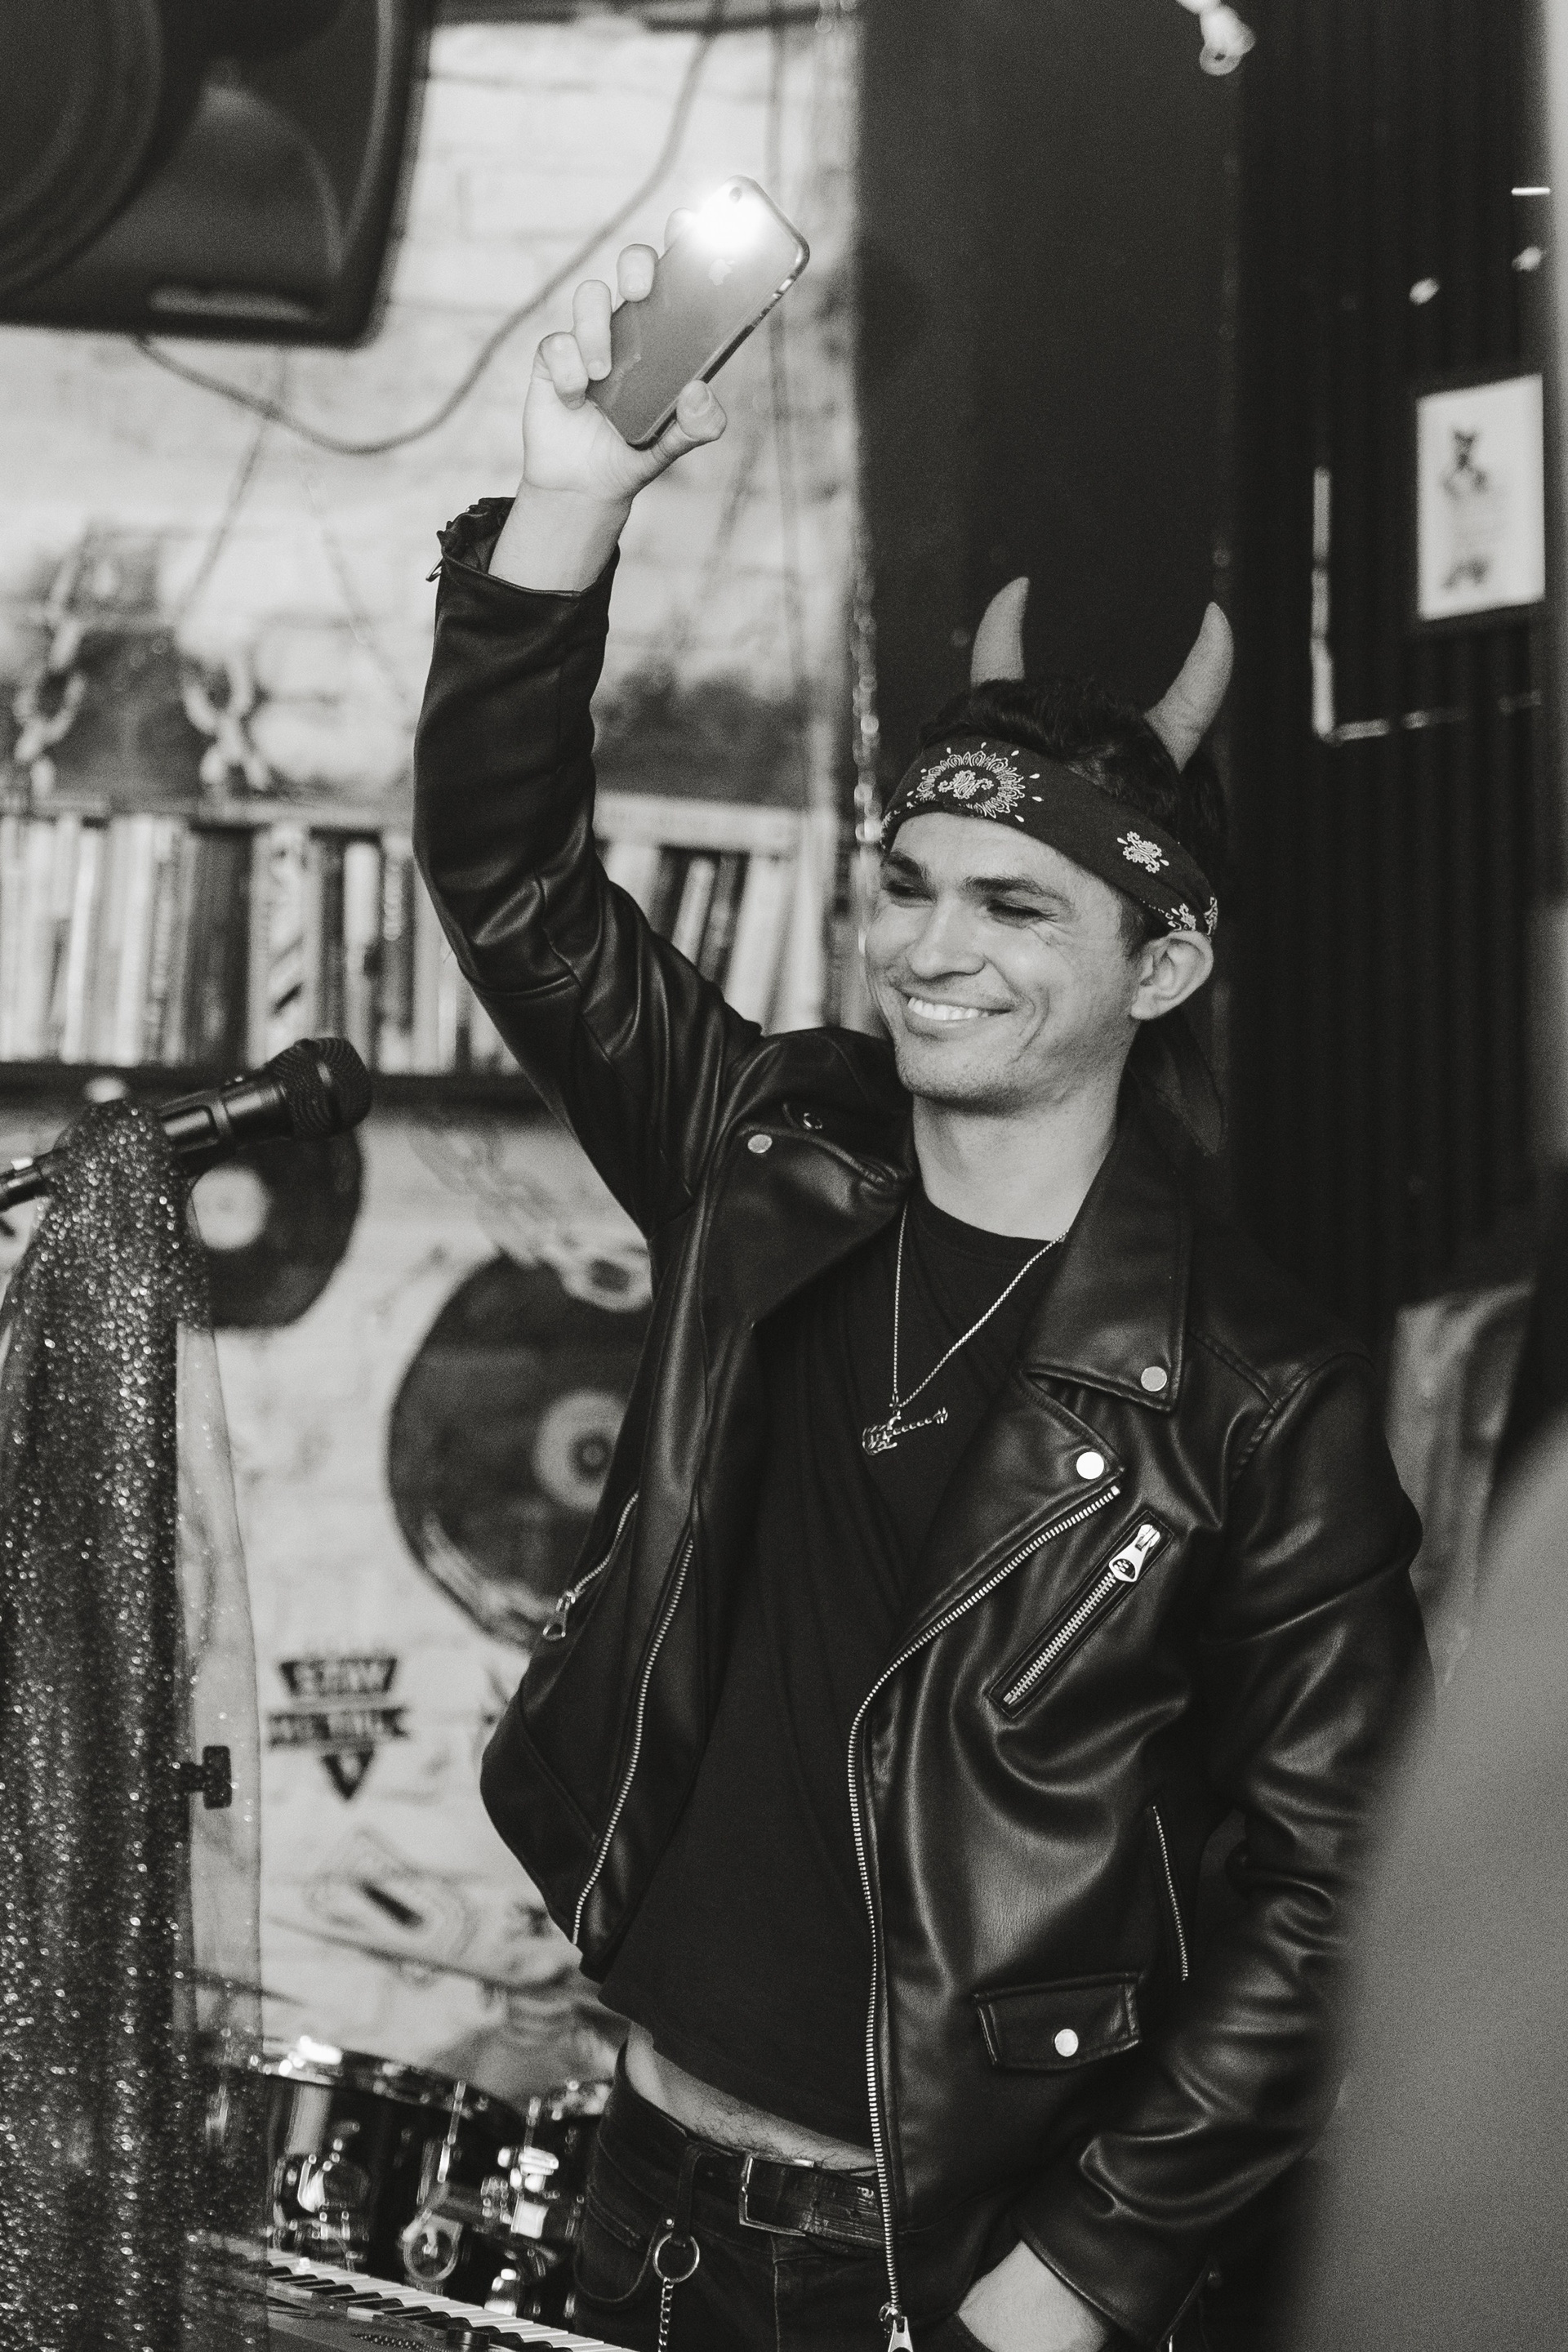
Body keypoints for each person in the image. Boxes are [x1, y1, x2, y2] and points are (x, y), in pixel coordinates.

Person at [414, 224, 1428, 2352]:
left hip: (929, 2257)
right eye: (906, 888)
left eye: (1014, 907)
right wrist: (567, 509)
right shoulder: (768, 1152)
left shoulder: (1256, 1390)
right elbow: (515, 888)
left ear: (1165, 961)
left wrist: (1085, 2277)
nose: (929, 947)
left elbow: (1343, 1887)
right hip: (642, 2177)